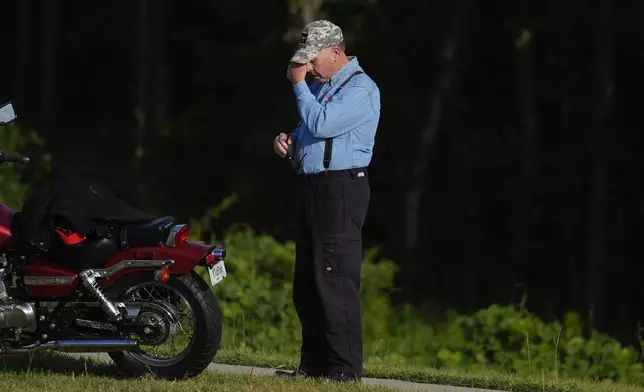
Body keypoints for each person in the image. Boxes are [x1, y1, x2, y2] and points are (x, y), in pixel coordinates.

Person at [273, 20, 381, 382]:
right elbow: (310, 133)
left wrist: (299, 85)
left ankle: (344, 371)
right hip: (313, 190)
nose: (308, 68)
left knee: (335, 281)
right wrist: (289, 143)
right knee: (307, 283)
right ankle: (314, 367)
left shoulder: (361, 89)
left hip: (341, 191)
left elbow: (321, 124)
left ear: (336, 52)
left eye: (313, 60)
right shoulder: (322, 87)